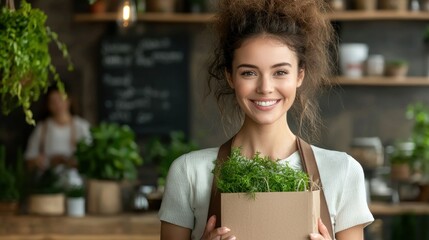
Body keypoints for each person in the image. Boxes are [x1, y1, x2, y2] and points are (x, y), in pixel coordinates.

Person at [158, 0, 374, 239]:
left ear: (299, 75)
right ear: (230, 76)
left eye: (280, 72)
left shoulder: (342, 172)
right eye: (248, 73)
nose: (265, 87)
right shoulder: (189, 173)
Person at [24, 85, 91, 175]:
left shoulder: (82, 127)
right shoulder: (42, 128)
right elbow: (29, 160)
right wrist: (39, 161)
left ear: (69, 100)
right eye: (53, 102)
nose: (58, 105)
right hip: (47, 181)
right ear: (48, 105)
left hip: (77, 182)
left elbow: (90, 158)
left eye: (61, 99)